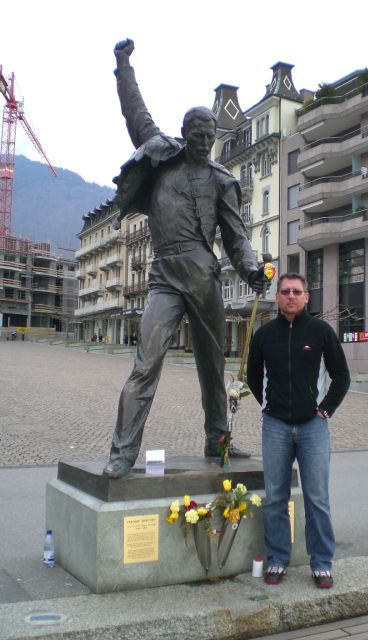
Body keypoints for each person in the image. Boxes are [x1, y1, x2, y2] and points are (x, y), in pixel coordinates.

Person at [103, 39, 266, 479]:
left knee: (212, 367)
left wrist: (251, 269)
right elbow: (134, 110)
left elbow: (236, 236)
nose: (204, 143)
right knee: (146, 363)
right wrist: (123, 65)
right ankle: (122, 452)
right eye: (197, 136)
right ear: (184, 133)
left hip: (204, 276)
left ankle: (218, 440)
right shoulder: (161, 155)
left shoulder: (222, 180)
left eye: (210, 138)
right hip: (165, 276)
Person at [247, 273, 350, 588]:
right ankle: (278, 559)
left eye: (296, 291)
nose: (290, 296)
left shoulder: (321, 332)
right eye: (285, 291)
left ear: (307, 297)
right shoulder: (264, 335)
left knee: (317, 498)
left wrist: (325, 409)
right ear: (277, 297)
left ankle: (321, 563)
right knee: (275, 497)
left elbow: (341, 376)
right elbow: (253, 376)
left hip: (312, 427)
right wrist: (269, 404)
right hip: (275, 426)